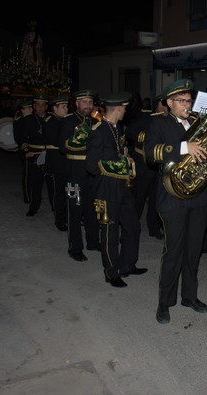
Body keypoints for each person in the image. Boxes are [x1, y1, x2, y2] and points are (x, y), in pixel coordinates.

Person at [145, 79, 207, 324]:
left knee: (193, 251)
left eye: (189, 100)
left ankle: (189, 296)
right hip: (172, 197)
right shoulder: (158, 123)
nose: (188, 104)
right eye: (182, 101)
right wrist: (185, 147)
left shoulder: (199, 123)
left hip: (199, 197)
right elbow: (151, 153)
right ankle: (165, 301)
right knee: (173, 251)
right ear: (169, 103)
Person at [86, 92, 147, 288]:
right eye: (124, 108)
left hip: (123, 186)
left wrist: (126, 159)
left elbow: (119, 152)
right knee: (110, 230)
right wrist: (120, 163)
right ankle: (111, 272)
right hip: (106, 188)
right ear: (118, 109)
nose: (125, 111)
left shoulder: (117, 128)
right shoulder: (98, 130)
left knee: (132, 226)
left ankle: (128, 264)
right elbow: (92, 165)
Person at [59, 89, 102, 262]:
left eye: (90, 102)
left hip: (92, 173)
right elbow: (62, 147)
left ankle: (93, 241)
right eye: (84, 102)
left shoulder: (96, 120)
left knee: (92, 209)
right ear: (76, 104)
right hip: (74, 173)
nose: (88, 105)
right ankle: (75, 247)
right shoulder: (68, 121)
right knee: (74, 211)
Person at [125, 94, 164, 239]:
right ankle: (132, 228)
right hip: (142, 164)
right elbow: (129, 131)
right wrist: (146, 137)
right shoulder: (145, 116)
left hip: (159, 165)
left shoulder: (169, 119)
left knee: (155, 199)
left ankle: (153, 228)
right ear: (160, 103)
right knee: (138, 199)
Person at [20, 95, 51, 217]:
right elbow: (21, 138)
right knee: (36, 184)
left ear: (46, 106)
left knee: (52, 184)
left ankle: (55, 207)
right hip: (35, 155)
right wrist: (26, 150)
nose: (40, 107)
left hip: (50, 155)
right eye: (38, 105)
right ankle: (33, 207)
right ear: (34, 106)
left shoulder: (52, 118)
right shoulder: (28, 120)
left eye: (43, 105)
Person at [43, 94, 69, 231]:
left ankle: (67, 216)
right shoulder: (50, 121)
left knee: (68, 191)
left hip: (66, 161)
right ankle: (60, 220)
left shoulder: (64, 121)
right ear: (55, 108)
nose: (66, 109)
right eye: (63, 107)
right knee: (58, 192)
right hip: (56, 162)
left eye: (66, 106)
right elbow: (57, 140)